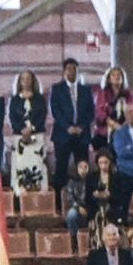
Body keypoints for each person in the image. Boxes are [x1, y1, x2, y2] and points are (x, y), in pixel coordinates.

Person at [49, 59, 96, 191]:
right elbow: (55, 111)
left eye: (74, 68)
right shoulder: (57, 89)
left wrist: (81, 126)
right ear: (64, 71)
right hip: (63, 135)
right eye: (69, 68)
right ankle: (59, 201)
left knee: (82, 167)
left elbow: (91, 111)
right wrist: (67, 127)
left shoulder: (86, 89)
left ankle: (84, 197)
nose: (72, 71)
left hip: (82, 134)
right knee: (61, 168)